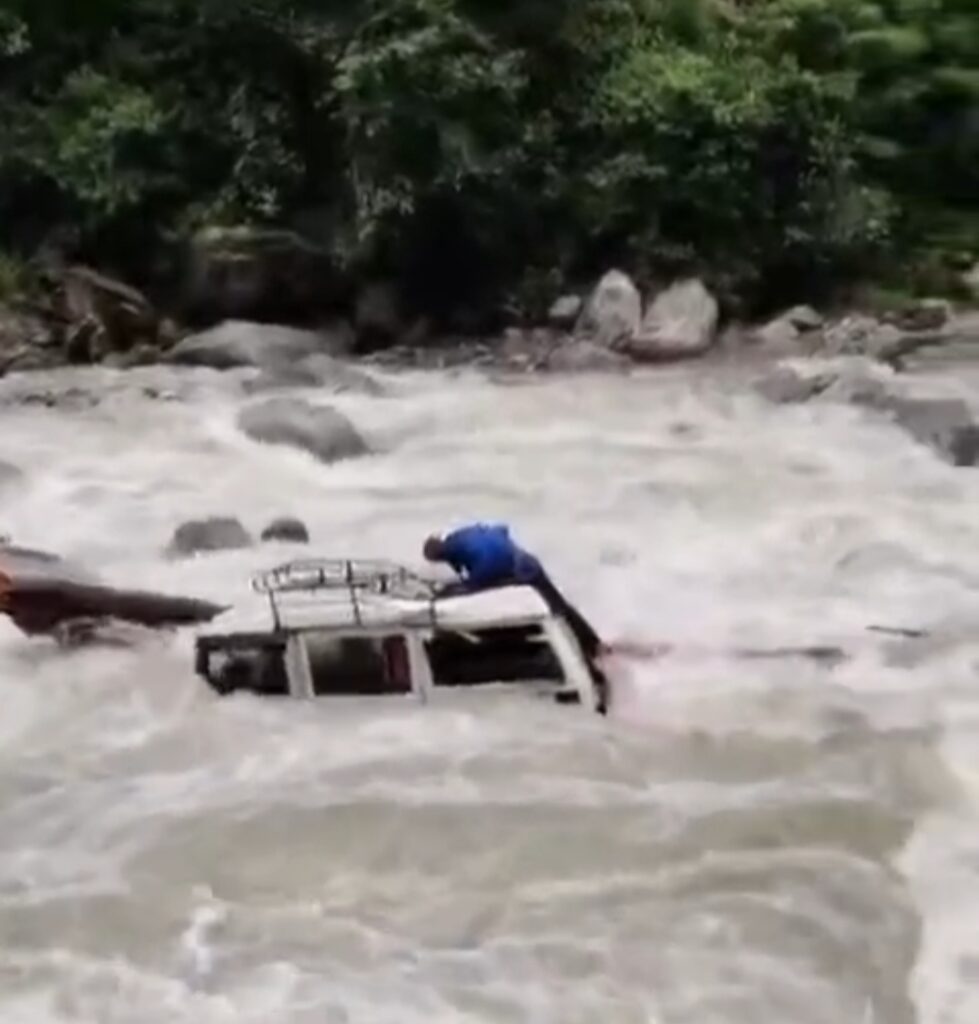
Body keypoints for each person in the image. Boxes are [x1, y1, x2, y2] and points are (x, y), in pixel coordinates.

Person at [422, 522, 610, 711]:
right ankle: (593, 643)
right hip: (526, 561)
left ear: (438, 554)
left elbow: (474, 576)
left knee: (548, 608)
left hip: (510, 569)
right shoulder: (463, 534)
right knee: (557, 606)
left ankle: (588, 661)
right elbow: (501, 529)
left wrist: (461, 589)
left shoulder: (451, 551)